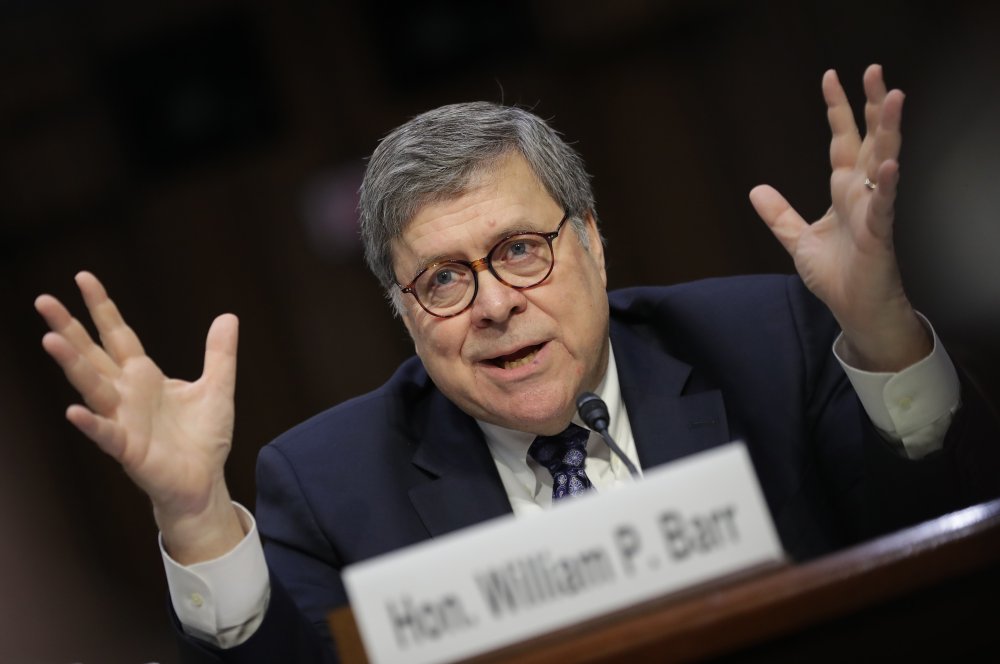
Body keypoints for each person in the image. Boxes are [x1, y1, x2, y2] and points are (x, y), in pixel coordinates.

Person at [35, 65, 1000, 662]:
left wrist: (881, 336)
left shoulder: (763, 344)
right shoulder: (328, 487)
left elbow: (946, 562)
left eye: (521, 251)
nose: (494, 304)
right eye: (444, 280)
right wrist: (197, 518)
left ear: (592, 243)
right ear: (404, 314)